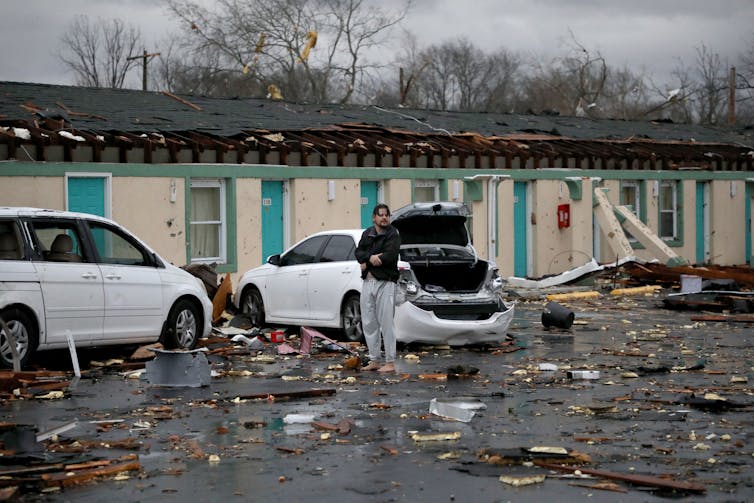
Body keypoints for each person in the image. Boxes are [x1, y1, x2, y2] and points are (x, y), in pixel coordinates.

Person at [355, 203, 401, 373]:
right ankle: (374, 359)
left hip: (385, 283)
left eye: (386, 215)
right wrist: (370, 258)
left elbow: (390, 255)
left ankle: (389, 361)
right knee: (368, 322)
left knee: (387, 322)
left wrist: (368, 261)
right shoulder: (367, 233)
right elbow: (358, 253)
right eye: (380, 215)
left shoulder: (393, 234)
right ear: (374, 217)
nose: (384, 218)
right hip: (368, 282)